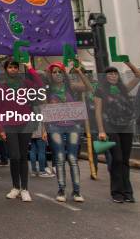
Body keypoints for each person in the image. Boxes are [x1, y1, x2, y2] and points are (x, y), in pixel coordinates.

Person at [0, 60, 42, 203]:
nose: (13, 69)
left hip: (25, 124)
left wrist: (30, 67)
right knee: (14, 156)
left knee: (22, 156)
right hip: (9, 124)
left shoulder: (26, 83)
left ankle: (25, 189)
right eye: (10, 67)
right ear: (6, 69)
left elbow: (40, 86)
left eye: (16, 67)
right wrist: (0, 128)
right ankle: (15, 187)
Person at [95, 62, 140, 203]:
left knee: (125, 160)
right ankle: (117, 191)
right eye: (110, 73)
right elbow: (97, 111)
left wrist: (127, 62)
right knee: (117, 159)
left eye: (115, 73)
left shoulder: (123, 89)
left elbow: (139, 75)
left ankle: (128, 192)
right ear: (105, 77)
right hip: (110, 127)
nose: (113, 76)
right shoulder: (100, 91)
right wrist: (101, 130)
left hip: (126, 127)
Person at [45, 62, 93, 202]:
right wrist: (43, 128)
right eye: (54, 72)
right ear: (51, 74)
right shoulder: (47, 89)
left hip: (73, 126)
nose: (57, 74)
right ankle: (61, 189)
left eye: (60, 71)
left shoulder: (71, 86)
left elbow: (89, 88)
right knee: (59, 158)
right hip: (55, 127)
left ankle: (76, 191)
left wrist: (79, 72)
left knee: (72, 158)